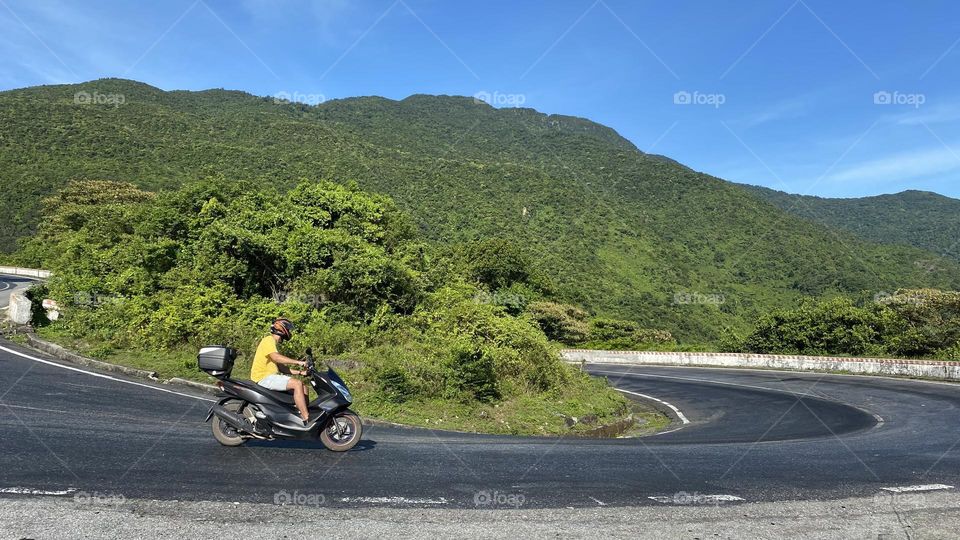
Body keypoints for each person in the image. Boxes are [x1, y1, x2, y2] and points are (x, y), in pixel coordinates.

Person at [250, 318, 311, 423]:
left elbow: (282, 368)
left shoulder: (272, 344)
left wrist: (301, 372)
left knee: (304, 387)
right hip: (263, 377)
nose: (289, 332)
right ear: (282, 329)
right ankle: (307, 419)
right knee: (297, 384)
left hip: (270, 377)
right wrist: (299, 362)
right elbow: (276, 358)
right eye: (288, 329)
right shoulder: (268, 340)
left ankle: (297, 415)